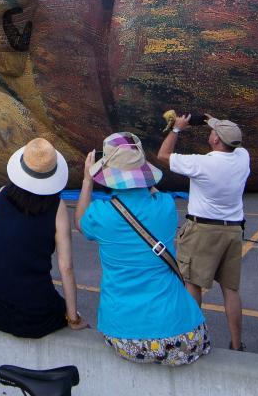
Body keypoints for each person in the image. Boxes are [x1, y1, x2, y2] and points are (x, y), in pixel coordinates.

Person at [77, 132, 209, 366]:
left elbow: (80, 223)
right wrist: (141, 173)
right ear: (143, 170)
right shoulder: (166, 205)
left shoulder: (100, 214)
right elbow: (154, 192)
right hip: (182, 335)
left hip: (125, 336)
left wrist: (88, 181)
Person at [0, 138, 87, 338]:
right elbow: (66, 267)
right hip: (33, 316)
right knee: (59, 307)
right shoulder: (57, 208)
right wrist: (73, 318)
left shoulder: (1, 194)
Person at [157, 112, 249, 351]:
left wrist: (176, 129)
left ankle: (191, 340)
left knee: (192, 284)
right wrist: (212, 121)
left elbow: (163, 155)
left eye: (214, 132)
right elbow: (231, 138)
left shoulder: (202, 163)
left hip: (203, 230)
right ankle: (236, 344)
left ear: (216, 139)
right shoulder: (243, 157)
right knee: (231, 290)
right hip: (233, 230)